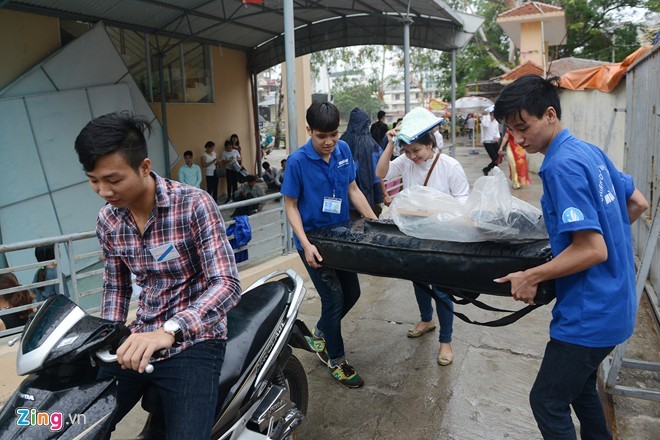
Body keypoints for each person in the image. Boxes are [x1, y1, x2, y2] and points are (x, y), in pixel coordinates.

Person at [492, 74, 649, 440]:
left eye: (522, 127)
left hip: (588, 316)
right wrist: (604, 235)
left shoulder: (560, 165)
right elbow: (637, 202)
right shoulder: (588, 151)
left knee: (546, 401)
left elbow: (592, 249)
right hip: (618, 306)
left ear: (549, 114)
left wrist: (532, 276)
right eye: (511, 131)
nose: (517, 138)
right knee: (578, 389)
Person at [74, 112, 242, 439]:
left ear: (145, 167)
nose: (102, 191)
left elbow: (228, 284)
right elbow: (116, 286)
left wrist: (171, 330)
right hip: (137, 337)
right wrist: (110, 332)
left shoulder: (194, 204)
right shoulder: (108, 221)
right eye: (93, 180)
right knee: (80, 424)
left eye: (113, 179)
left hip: (195, 340)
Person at [281, 101, 377, 388]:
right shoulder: (297, 161)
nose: (329, 142)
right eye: (322, 136)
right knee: (333, 299)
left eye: (333, 134)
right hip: (314, 241)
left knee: (353, 293)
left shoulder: (343, 150)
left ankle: (320, 333)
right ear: (309, 130)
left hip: (341, 236)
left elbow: (353, 190)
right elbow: (291, 206)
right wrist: (305, 243)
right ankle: (337, 360)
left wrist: (375, 222)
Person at [376, 107, 469, 367]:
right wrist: (391, 143)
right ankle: (426, 319)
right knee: (418, 281)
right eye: (407, 152)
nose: (412, 157)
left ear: (431, 145)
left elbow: (463, 202)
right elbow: (380, 174)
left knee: (441, 288)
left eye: (416, 150)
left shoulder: (450, 166)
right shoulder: (405, 162)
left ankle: (446, 341)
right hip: (414, 234)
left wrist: (437, 211)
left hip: (443, 237)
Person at [340, 108, 390, 217]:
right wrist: (384, 194)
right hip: (368, 196)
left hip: (345, 197)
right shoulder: (372, 145)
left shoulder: (341, 142)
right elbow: (378, 175)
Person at [480, 110, 502, 175]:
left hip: (494, 142)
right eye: (491, 115)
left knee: (498, 157)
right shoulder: (485, 120)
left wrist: (498, 137)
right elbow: (485, 125)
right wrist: (486, 116)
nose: (493, 117)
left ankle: (488, 169)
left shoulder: (496, 122)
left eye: (494, 116)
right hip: (487, 142)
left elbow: (496, 131)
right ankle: (489, 169)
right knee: (494, 158)